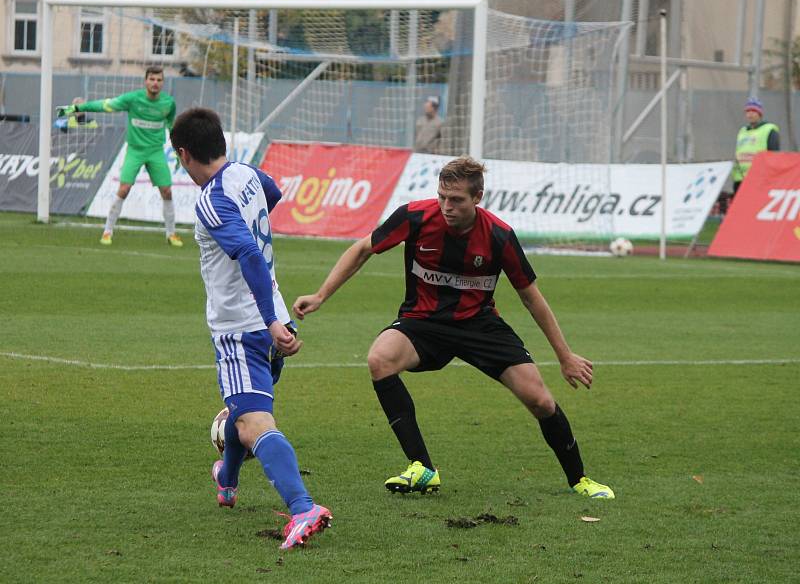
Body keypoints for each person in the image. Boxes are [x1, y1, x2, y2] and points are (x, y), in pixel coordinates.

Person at [293, 155, 614, 500]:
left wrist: (564, 356)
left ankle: (580, 479)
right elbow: (362, 249)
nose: (447, 206)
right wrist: (321, 295)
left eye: (457, 199)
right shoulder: (415, 217)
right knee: (379, 359)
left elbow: (531, 297)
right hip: (423, 322)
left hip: (479, 325)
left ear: (477, 198)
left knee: (540, 400)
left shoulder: (499, 236)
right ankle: (422, 467)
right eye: (442, 197)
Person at [170, 107, 332, 550]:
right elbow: (273, 192)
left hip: (243, 328)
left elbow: (249, 255)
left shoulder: (210, 201)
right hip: (271, 313)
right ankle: (227, 479)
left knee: (253, 421)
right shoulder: (245, 173)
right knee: (242, 408)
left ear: (184, 154)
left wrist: (269, 320)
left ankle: (303, 508)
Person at [57, 67, 182, 247]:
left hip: (156, 151)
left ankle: (171, 234)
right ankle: (107, 231)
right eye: (152, 79)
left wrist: (178, 150)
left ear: (163, 83)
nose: (155, 83)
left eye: (159, 80)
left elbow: (171, 126)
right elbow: (105, 105)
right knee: (124, 189)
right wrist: (77, 107)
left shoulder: (168, 103)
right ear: (146, 81)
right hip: (135, 150)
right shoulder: (133, 99)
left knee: (167, 191)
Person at [730, 97, 779, 202]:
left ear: (760, 113)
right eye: (748, 111)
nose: (750, 114)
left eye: (753, 111)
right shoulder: (742, 131)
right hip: (740, 179)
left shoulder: (769, 130)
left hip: (759, 179)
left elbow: (774, 155)